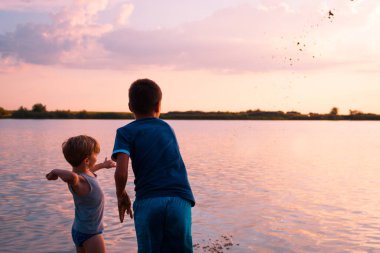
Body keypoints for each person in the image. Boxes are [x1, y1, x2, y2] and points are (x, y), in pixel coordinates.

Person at [112, 78, 196, 253]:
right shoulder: (167, 128)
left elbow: (121, 173)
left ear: (130, 106)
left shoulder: (125, 132)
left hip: (149, 201)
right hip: (180, 200)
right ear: (158, 106)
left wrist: (121, 195)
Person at [46, 135, 115, 253]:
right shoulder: (78, 180)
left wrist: (102, 166)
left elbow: (88, 171)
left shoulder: (84, 175)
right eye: (95, 155)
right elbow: (72, 177)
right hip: (91, 234)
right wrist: (55, 171)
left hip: (79, 230)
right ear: (87, 161)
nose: (97, 157)